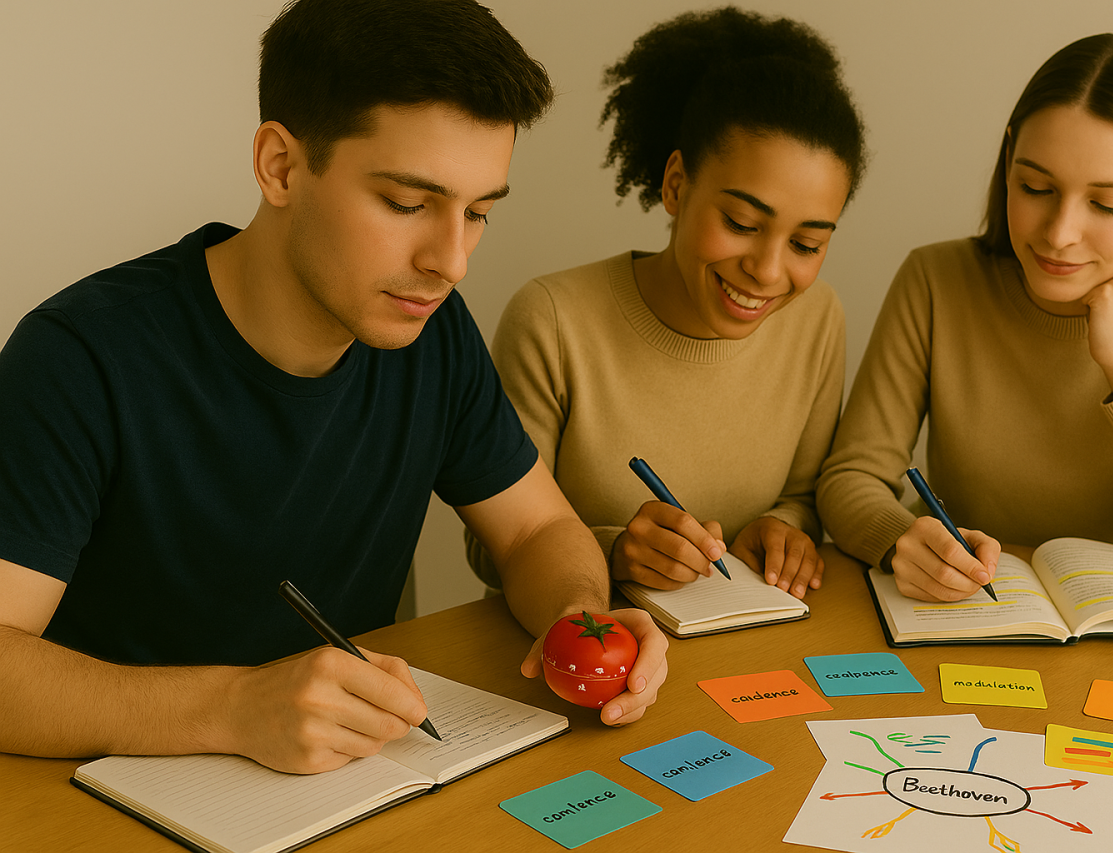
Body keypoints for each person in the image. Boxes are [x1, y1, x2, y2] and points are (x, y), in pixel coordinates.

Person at [0, 0, 667, 775]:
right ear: (281, 166)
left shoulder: (431, 329)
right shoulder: (81, 355)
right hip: (106, 794)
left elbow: (532, 532)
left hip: (352, 785)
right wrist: (234, 706)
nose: (450, 261)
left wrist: (578, 617)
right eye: (408, 204)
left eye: (478, 212)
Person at [817, 33, 1113, 602]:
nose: (1058, 235)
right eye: (1035, 186)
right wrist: (900, 538)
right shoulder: (937, 279)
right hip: (966, 612)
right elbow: (850, 476)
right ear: (1009, 160)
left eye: (1107, 204)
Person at [465, 7, 866, 599]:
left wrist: (782, 529)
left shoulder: (816, 317)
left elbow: (802, 497)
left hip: (749, 650)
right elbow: (490, 545)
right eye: (741, 222)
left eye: (807, 243)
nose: (768, 271)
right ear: (676, 185)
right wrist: (612, 551)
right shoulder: (553, 320)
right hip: (586, 649)